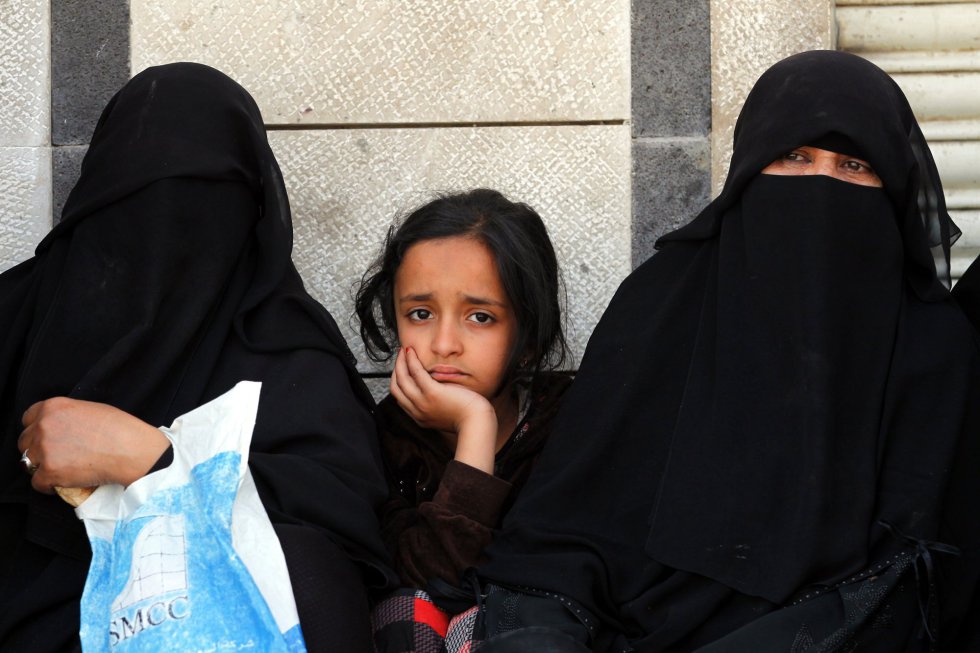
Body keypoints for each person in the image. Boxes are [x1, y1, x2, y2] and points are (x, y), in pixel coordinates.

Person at [473, 50, 980, 652]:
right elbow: (564, 539)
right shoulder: (660, 306)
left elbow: (910, 578)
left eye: (854, 165)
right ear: (748, 168)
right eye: (794, 156)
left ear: (892, 187)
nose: (821, 183)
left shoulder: (933, 348)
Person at [0, 63, 396, 652]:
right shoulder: (16, 320)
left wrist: (155, 462)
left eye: (202, 204)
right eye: (130, 205)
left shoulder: (284, 350)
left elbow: (342, 524)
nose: (162, 238)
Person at [354, 189, 571, 650]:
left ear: (528, 337)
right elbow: (431, 579)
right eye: (420, 313)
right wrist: (476, 426)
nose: (444, 343)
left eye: (479, 316)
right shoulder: (384, 437)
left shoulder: (567, 423)